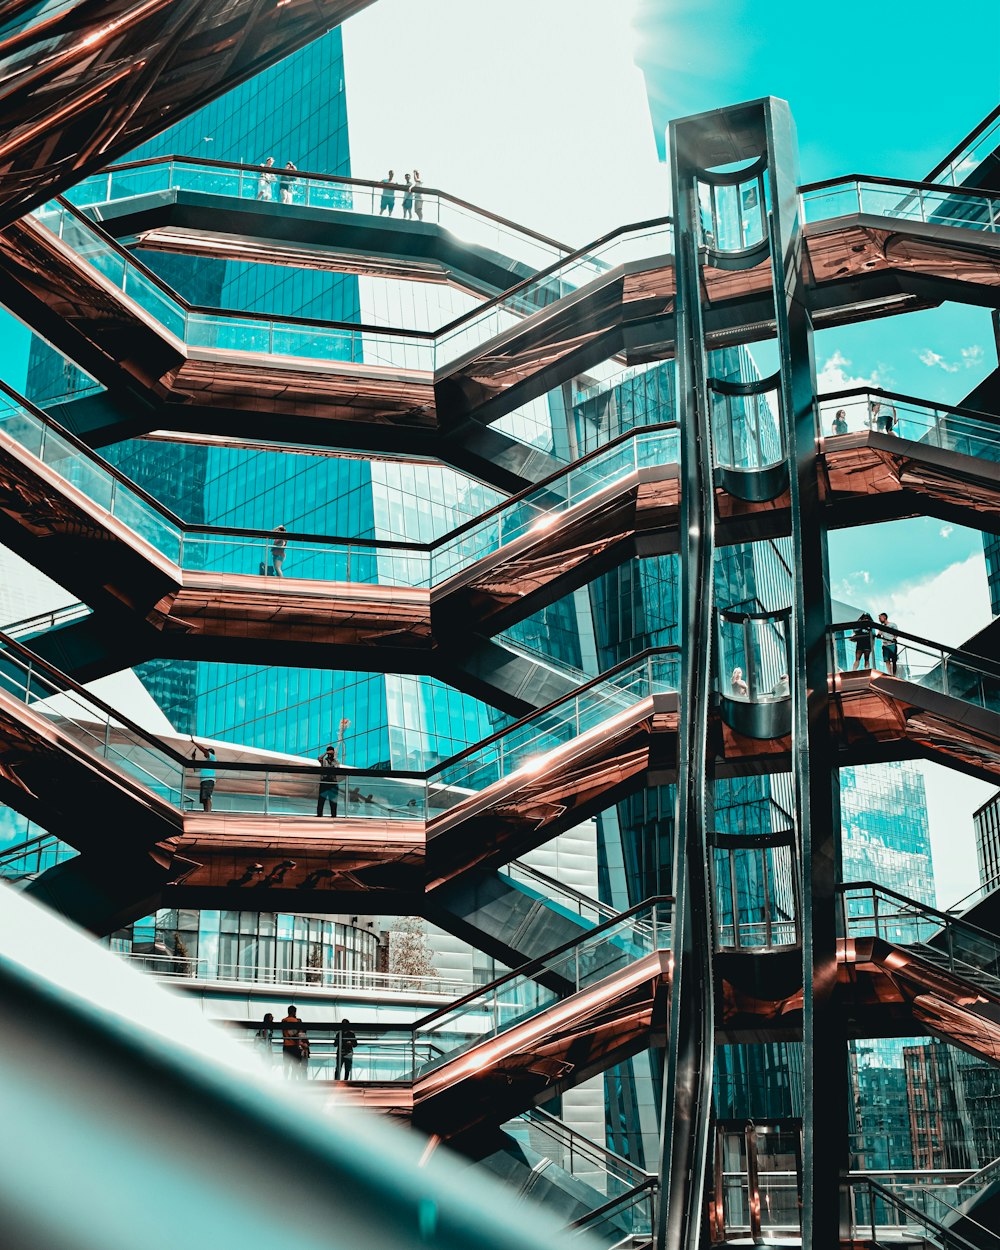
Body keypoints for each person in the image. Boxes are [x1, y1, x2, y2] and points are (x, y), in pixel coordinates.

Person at [316, 743, 341, 817]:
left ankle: (334, 816)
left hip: (333, 782)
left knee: (333, 801)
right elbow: (319, 758)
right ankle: (319, 815)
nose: (330, 754)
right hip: (324, 782)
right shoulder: (324, 761)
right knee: (321, 800)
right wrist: (326, 753)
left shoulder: (336, 761)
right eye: (329, 752)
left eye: (331, 752)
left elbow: (338, 768)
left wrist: (333, 759)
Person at [281, 1005, 307, 1078]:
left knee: (286, 1066)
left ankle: (285, 1079)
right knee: (295, 1065)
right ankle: (293, 1080)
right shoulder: (296, 1021)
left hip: (286, 1045)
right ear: (294, 1012)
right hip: (294, 1045)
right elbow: (297, 1033)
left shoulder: (283, 1020)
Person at [877, 611, 899, 676]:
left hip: (892, 644)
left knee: (894, 660)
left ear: (884, 617)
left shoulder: (892, 624)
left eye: (880, 618)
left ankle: (894, 674)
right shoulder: (881, 626)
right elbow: (879, 633)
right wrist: (878, 635)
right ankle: (889, 674)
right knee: (887, 660)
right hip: (885, 645)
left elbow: (896, 633)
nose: (879, 619)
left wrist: (894, 638)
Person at [195, 745, 216, 811]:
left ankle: (208, 811)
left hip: (208, 780)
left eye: (207, 752)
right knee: (204, 798)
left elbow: (204, 751)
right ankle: (206, 810)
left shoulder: (212, 758)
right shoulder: (205, 762)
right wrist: (193, 758)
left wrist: (195, 743)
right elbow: (196, 769)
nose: (206, 753)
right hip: (204, 781)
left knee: (207, 797)